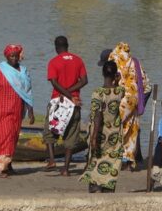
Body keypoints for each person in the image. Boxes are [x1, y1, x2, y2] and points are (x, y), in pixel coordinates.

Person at [0, 44, 34, 178]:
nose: (14, 59)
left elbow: (27, 93)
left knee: (12, 137)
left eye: (16, 56)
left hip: (17, 110)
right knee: (5, 137)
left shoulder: (24, 71)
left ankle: (8, 166)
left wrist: (30, 112)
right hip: (3, 110)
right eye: (11, 56)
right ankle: (3, 169)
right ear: (6, 57)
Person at [98, 46, 151, 167]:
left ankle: (110, 156)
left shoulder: (114, 62)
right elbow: (146, 84)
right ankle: (129, 160)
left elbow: (110, 85)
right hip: (137, 96)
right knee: (132, 127)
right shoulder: (133, 61)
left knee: (113, 125)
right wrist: (138, 104)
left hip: (124, 98)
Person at [44, 35, 87, 176]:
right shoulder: (78, 60)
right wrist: (71, 94)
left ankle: (52, 159)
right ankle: (66, 169)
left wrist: (65, 94)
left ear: (56, 47)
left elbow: (54, 83)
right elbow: (84, 80)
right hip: (74, 103)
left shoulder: (53, 62)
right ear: (67, 46)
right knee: (71, 134)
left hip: (58, 102)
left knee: (50, 130)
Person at [79, 59, 125, 193]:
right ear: (115, 74)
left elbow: (98, 116)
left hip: (100, 133)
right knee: (112, 159)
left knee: (96, 159)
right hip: (115, 134)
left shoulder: (97, 93)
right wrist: (117, 80)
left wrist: (93, 137)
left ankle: (95, 185)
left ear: (102, 73)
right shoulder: (119, 91)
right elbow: (118, 87)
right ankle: (108, 185)